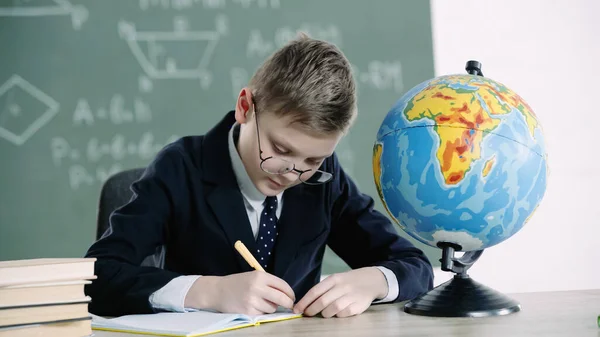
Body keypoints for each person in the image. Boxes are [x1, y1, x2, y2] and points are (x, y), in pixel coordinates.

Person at [84, 34, 433, 319]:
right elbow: (97, 276)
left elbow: (416, 266)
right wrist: (208, 291)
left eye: (312, 159)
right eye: (280, 150)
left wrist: (373, 281)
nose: (292, 173)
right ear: (245, 107)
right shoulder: (181, 167)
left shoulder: (323, 177)